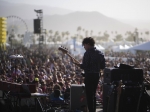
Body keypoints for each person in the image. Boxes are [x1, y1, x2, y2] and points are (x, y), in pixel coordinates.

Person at [71, 37, 105, 112]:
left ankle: (91, 110)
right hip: (96, 76)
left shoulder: (87, 53)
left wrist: (76, 63)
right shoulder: (100, 53)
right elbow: (103, 66)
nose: (84, 47)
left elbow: (84, 66)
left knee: (89, 95)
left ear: (88, 44)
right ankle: (94, 110)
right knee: (93, 94)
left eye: (84, 45)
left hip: (89, 76)